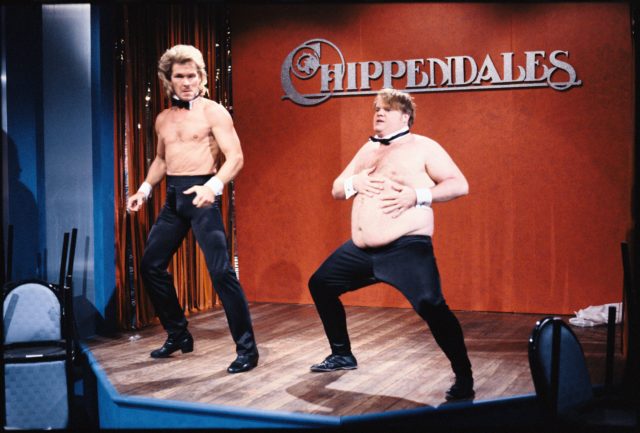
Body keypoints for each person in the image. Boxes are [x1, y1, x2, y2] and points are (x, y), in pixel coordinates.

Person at [308, 88, 474, 400]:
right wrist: (354, 182)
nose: (379, 114)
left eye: (387, 109)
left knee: (431, 306)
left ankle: (464, 376)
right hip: (362, 250)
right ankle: (342, 354)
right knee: (321, 284)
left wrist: (418, 195)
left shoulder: (423, 147)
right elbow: (336, 189)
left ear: (405, 116)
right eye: (377, 109)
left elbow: (459, 184)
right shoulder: (368, 149)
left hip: (405, 247)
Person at [127, 44, 258, 374]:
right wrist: (144, 190)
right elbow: (160, 159)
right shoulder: (162, 118)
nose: (186, 82)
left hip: (203, 196)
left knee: (221, 273)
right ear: (168, 80)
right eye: (179, 77)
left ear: (201, 77)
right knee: (150, 265)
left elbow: (236, 157)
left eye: (192, 76)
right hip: (174, 199)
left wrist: (212, 187)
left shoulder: (214, 112)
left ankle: (247, 349)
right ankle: (178, 334)